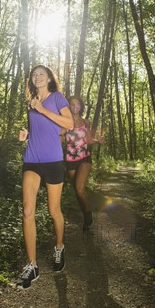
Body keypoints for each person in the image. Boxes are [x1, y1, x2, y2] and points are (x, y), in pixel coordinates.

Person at [17, 65, 74, 290]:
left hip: (52, 161)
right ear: (31, 80)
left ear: (49, 77)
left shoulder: (57, 98)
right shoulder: (32, 101)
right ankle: (32, 265)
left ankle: (59, 247)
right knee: (28, 211)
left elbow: (69, 125)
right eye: (34, 75)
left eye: (42, 74)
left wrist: (41, 109)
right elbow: (44, 129)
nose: (37, 77)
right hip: (31, 159)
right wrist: (26, 134)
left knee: (53, 211)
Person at [61, 96, 102, 232]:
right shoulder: (65, 123)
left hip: (85, 158)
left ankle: (88, 215)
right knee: (77, 192)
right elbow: (58, 138)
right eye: (72, 104)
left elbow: (89, 140)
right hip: (70, 161)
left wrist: (98, 141)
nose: (75, 106)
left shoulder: (86, 122)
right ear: (69, 107)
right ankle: (85, 213)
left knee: (79, 189)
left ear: (81, 106)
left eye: (77, 103)